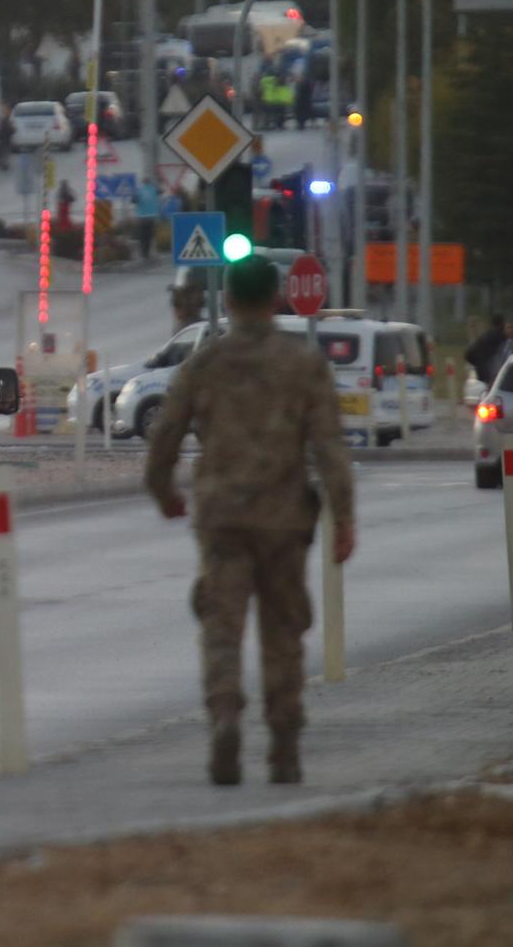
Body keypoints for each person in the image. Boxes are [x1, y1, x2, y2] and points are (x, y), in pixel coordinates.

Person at [145, 255, 356, 787]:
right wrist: (344, 517)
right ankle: (284, 743)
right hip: (284, 519)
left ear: (230, 301)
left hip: (222, 519)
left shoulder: (204, 363)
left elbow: (165, 435)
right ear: (277, 300)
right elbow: (330, 447)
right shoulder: (304, 364)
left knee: (221, 626)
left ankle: (225, 718)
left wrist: (164, 492)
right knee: (283, 632)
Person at [464, 314, 507, 385]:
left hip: (481, 369)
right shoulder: (500, 336)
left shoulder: (486, 335)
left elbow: (469, 353)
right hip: (492, 371)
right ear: (502, 323)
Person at [134, 177, 161, 261]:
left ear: (143, 182)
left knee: (143, 236)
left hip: (142, 216)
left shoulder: (139, 190)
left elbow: (134, 200)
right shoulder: (153, 189)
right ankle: (147, 252)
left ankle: (144, 253)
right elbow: (161, 191)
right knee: (149, 235)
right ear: (149, 182)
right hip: (151, 216)